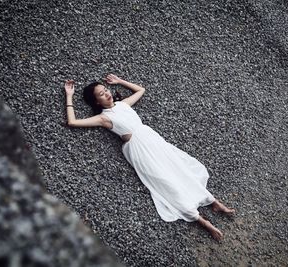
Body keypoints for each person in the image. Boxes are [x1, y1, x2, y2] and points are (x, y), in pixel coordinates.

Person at [64, 74, 235, 241]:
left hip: (153, 139)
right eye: (101, 94)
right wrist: (69, 96)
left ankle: (213, 201)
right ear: (96, 102)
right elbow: (73, 122)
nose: (107, 93)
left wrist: (119, 81)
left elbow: (141, 90)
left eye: (106, 90)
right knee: (165, 182)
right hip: (138, 150)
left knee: (179, 169)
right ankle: (202, 221)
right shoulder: (103, 117)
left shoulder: (122, 105)